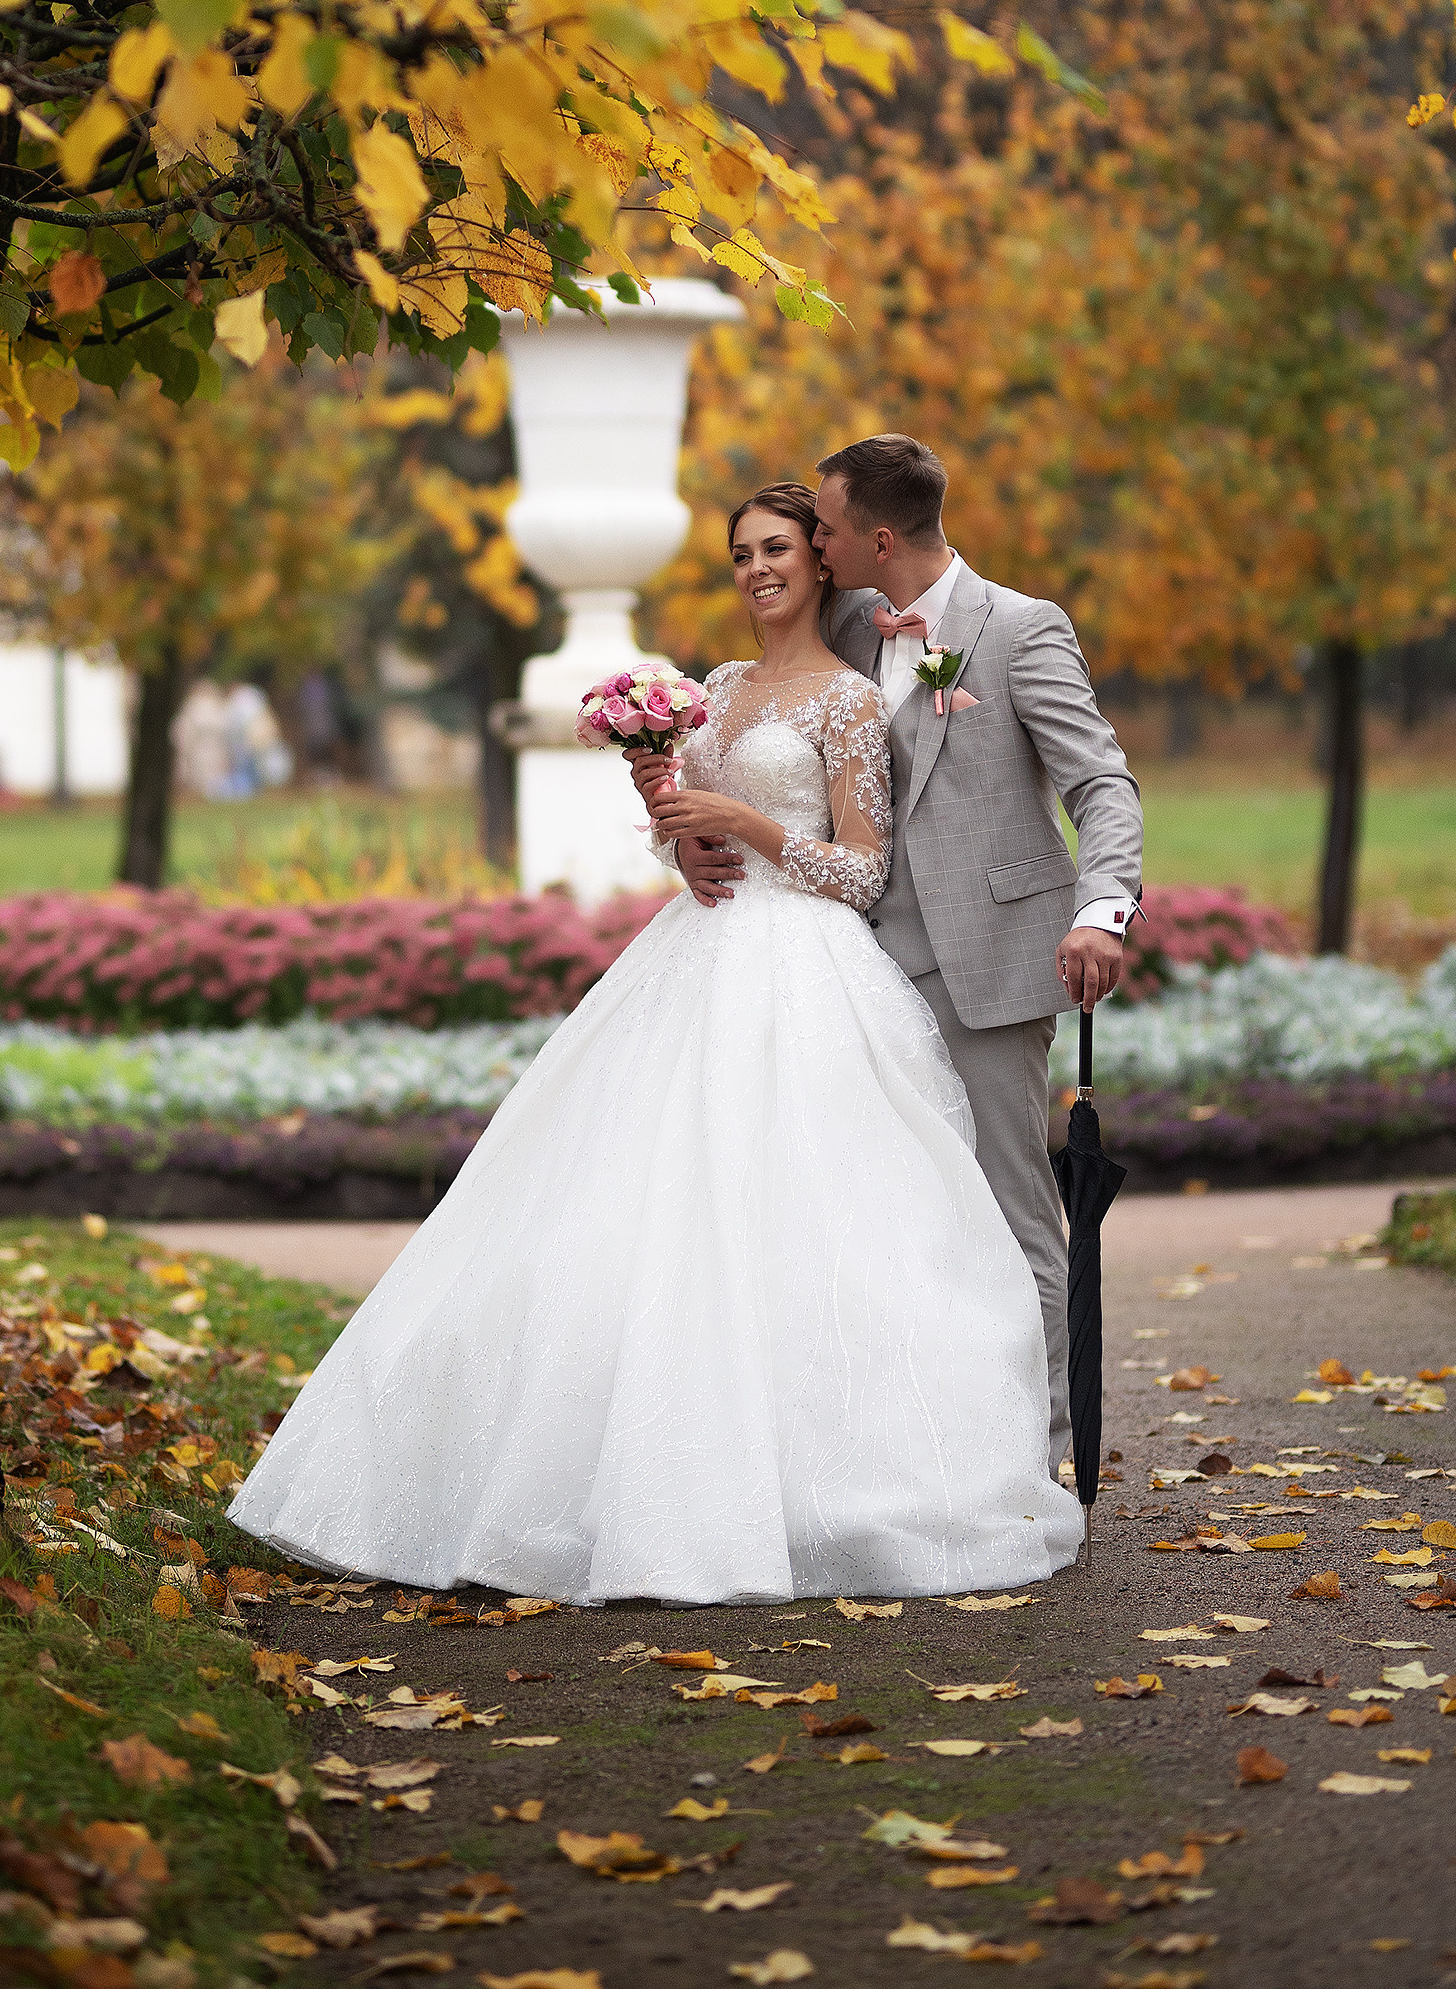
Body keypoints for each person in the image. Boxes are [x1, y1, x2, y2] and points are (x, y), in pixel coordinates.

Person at [227, 481, 1084, 1603]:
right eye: (739, 553)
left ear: (821, 562)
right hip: (693, 952)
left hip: (802, 978)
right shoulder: (717, 688)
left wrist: (746, 822)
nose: (756, 567)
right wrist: (681, 834)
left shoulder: (849, 701)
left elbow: (858, 870)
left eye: (777, 546)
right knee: (629, 1208)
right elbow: (694, 839)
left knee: (804, 1223)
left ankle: (838, 1480)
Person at [645, 437, 1143, 1475]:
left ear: (873, 535)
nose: (805, 545)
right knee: (871, 1223)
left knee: (1006, 1216)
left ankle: (1041, 1465)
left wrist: (1102, 909)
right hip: (833, 969)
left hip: (981, 965)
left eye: (819, 527)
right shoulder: (838, 620)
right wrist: (684, 824)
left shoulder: (1017, 629)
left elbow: (1099, 783)